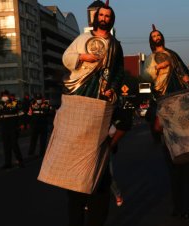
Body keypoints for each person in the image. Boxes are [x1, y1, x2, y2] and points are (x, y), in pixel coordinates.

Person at [37, 1, 124, 226]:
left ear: (112, 19)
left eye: (108, 15)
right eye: (101, 15)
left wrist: (111, 88)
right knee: (73, 142)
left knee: (97, 154)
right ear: (96, 18)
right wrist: (83, 58)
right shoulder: (81, 40)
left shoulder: (115, 45)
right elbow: (67, 58)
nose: (104, 18)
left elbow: (118, 72)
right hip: (80, 91)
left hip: (100, 100)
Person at [143, 24, 189, 225]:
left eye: (159, 34)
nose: (157, 37)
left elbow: (185, 72)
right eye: (154, 36)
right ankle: (178, 206)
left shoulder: (173, 54)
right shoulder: (150, 59)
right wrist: (158, 67)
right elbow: (145, 76)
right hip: (165, 102)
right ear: (151, 41)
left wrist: (186, 77)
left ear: (163, 37)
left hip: (182, 102)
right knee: (174, 168)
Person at [0, 90, 25, 169]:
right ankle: (7, 163)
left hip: (13, 127)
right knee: (6, 146)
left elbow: (21, 115)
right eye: (3, 96)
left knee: (14, 145)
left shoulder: (15, 103)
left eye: (6, 95)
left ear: (9, 96)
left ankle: (20, 161)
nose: (4, 97)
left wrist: (22, 124)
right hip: (4, 128)